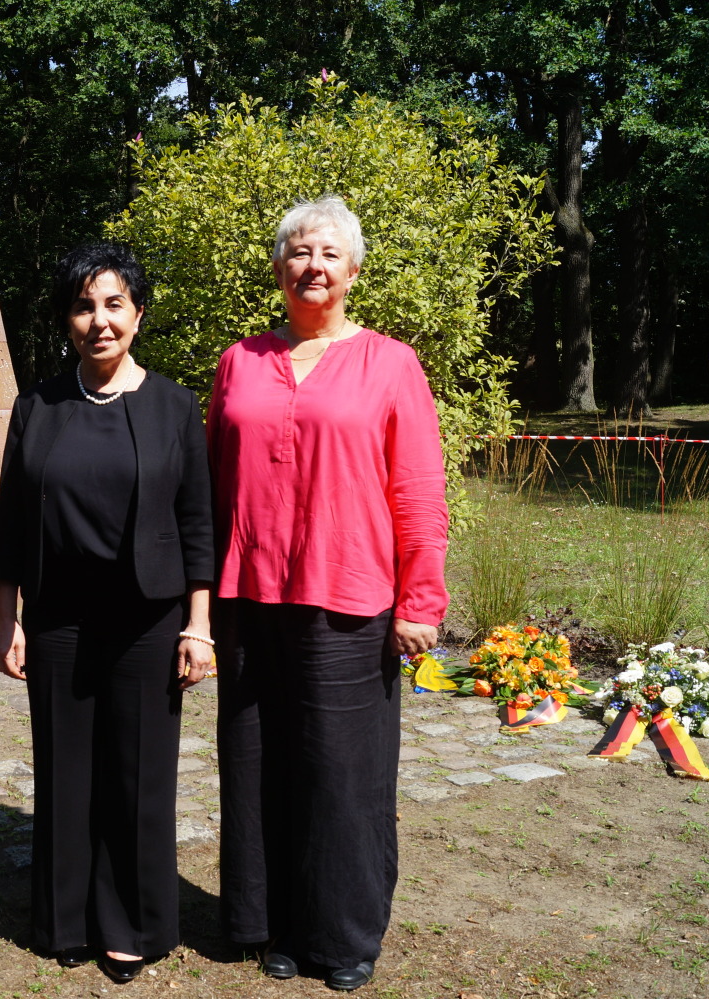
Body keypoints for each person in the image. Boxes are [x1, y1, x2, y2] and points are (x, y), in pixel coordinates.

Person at [207, 195, 448, 992]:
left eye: (329, 254)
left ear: (352, 271)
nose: (313, 266)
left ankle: (343, 933)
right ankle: (273, 921)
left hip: (350, 596)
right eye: (299, 252)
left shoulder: (392, 363)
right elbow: (210, 487)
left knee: (343, 772)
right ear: (279, 268)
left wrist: (421, 600)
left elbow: (416, 490)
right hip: (249, 596)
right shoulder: (239, 360)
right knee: (259, 765)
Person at [0, 243, 214, 985]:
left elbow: (197, 523)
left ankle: (132, 922)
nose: (99, 320)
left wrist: (198, 622)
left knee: (138, 774)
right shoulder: (38, 405)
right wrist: (7, 616)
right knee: (64, 771)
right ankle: (65, 918)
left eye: (114, 303)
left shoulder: (176, 406)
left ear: (138, 313)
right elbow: (13, 523)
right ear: (67, 320)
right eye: (84, 306)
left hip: (148, 618)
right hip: (57, 618)